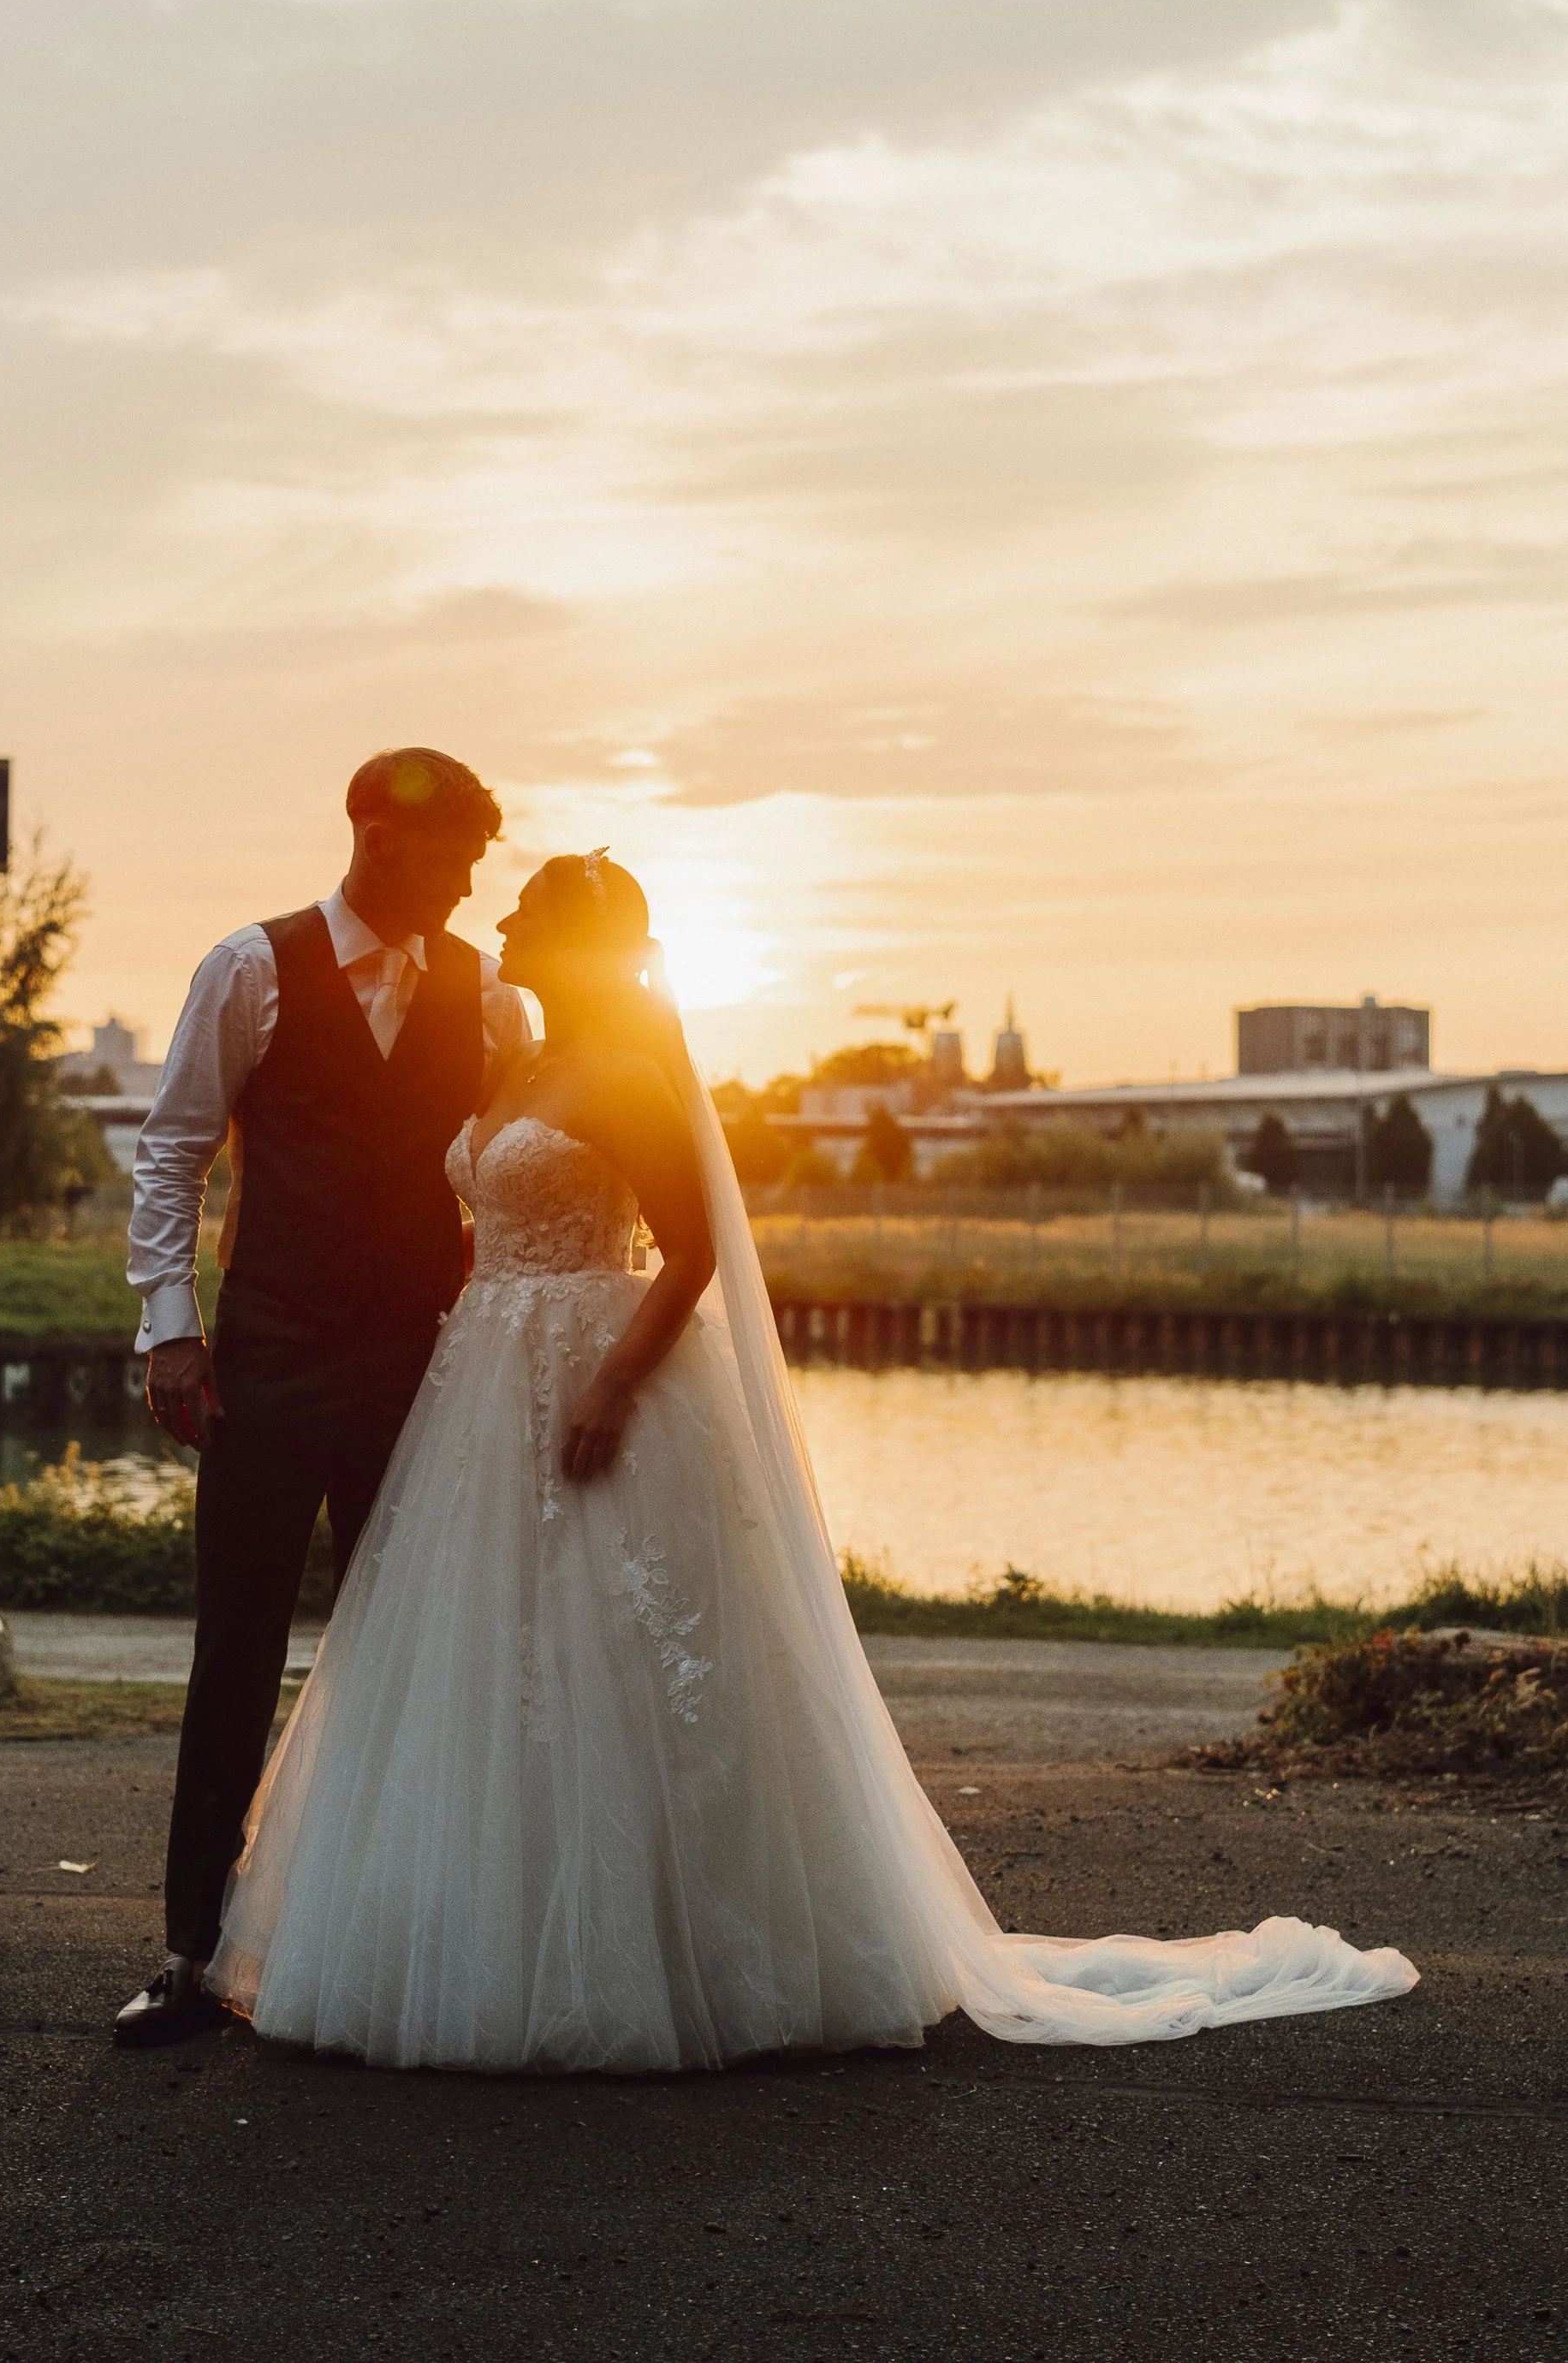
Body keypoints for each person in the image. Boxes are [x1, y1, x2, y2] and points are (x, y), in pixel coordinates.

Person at [205, 853, 1417, 2069]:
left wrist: (613, 1386)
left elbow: (689, 1253)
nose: (502, 920)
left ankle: (677, 1949)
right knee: (489, 1660)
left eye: (526, 911)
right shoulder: (516, 1058)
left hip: (593, 1370)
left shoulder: (628, 1073)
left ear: (573, 940)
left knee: (623, 1656)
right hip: (484, 1378)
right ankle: (478, 1932)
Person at [112, 747, 529, 2044]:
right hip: (271, 1357)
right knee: (234, 1648)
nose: (469, 883)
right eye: (457, 854)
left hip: (422, 1367)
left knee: (400, 1666)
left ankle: (379, 1951)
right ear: (379, 836)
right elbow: (174, 1146)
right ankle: (193, 1949)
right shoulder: (252, 967)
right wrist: (170, 1329)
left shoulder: (491, 996)